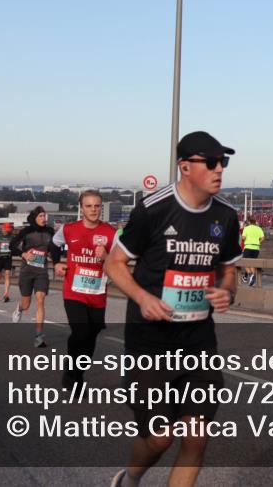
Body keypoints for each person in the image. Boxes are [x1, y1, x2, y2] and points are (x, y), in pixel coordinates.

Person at [103, 131, 241, 487]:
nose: (219, 169)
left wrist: (227, 291)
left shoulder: (226, 216)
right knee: (161, 437)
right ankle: (131, 478)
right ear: (185, 166)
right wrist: (142, 297)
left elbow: (228, 268)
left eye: (222, 162)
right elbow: (115, 263)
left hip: (198, 342)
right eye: (210, 162)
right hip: (150, 342)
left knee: (196, 437)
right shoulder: (154, 209)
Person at [50, 189, 117, 388]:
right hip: (74, 291)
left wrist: (106, 257)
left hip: (97, 293)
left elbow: (120, 260)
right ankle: (73, 375)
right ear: (81, 208)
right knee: (81, 332)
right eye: (88, 206)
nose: (93, 210)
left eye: (97, 206)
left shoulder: (110, 233)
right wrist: (56, 263)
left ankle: (77, 368)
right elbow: (54, 245)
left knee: (93, 333)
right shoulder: (69, 229)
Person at [11, 207, 55, 347]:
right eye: (41, 216)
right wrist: (23, 254)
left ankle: (39, 337)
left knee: (40, 300)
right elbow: (12, 246)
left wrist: (51, 254)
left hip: (42, 271)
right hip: (27, 271)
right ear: (35, 217)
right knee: (26, 304)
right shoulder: (26, 231)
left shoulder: (49, 231)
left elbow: (54, 248)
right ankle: (19, 308)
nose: (44, 218)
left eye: (45, 216)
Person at [0, 222, 15, 302]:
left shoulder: (12, 236)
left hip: (8, 257)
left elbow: (14, 246)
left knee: (7, 275)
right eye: (6, 229)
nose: (7, 231)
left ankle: (6, 294)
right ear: (3, 228)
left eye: (9, 230)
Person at [240, 216, 264, 287]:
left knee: (245, 262)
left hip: (248, 247)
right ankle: (253, 277)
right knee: (253, 263)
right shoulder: (259, 228)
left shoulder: (246, 228)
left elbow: (243, 238)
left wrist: (243, 238)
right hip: (256, 248)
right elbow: (263, 238)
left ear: (249, 221)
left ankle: (250, 275)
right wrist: (258, 242)